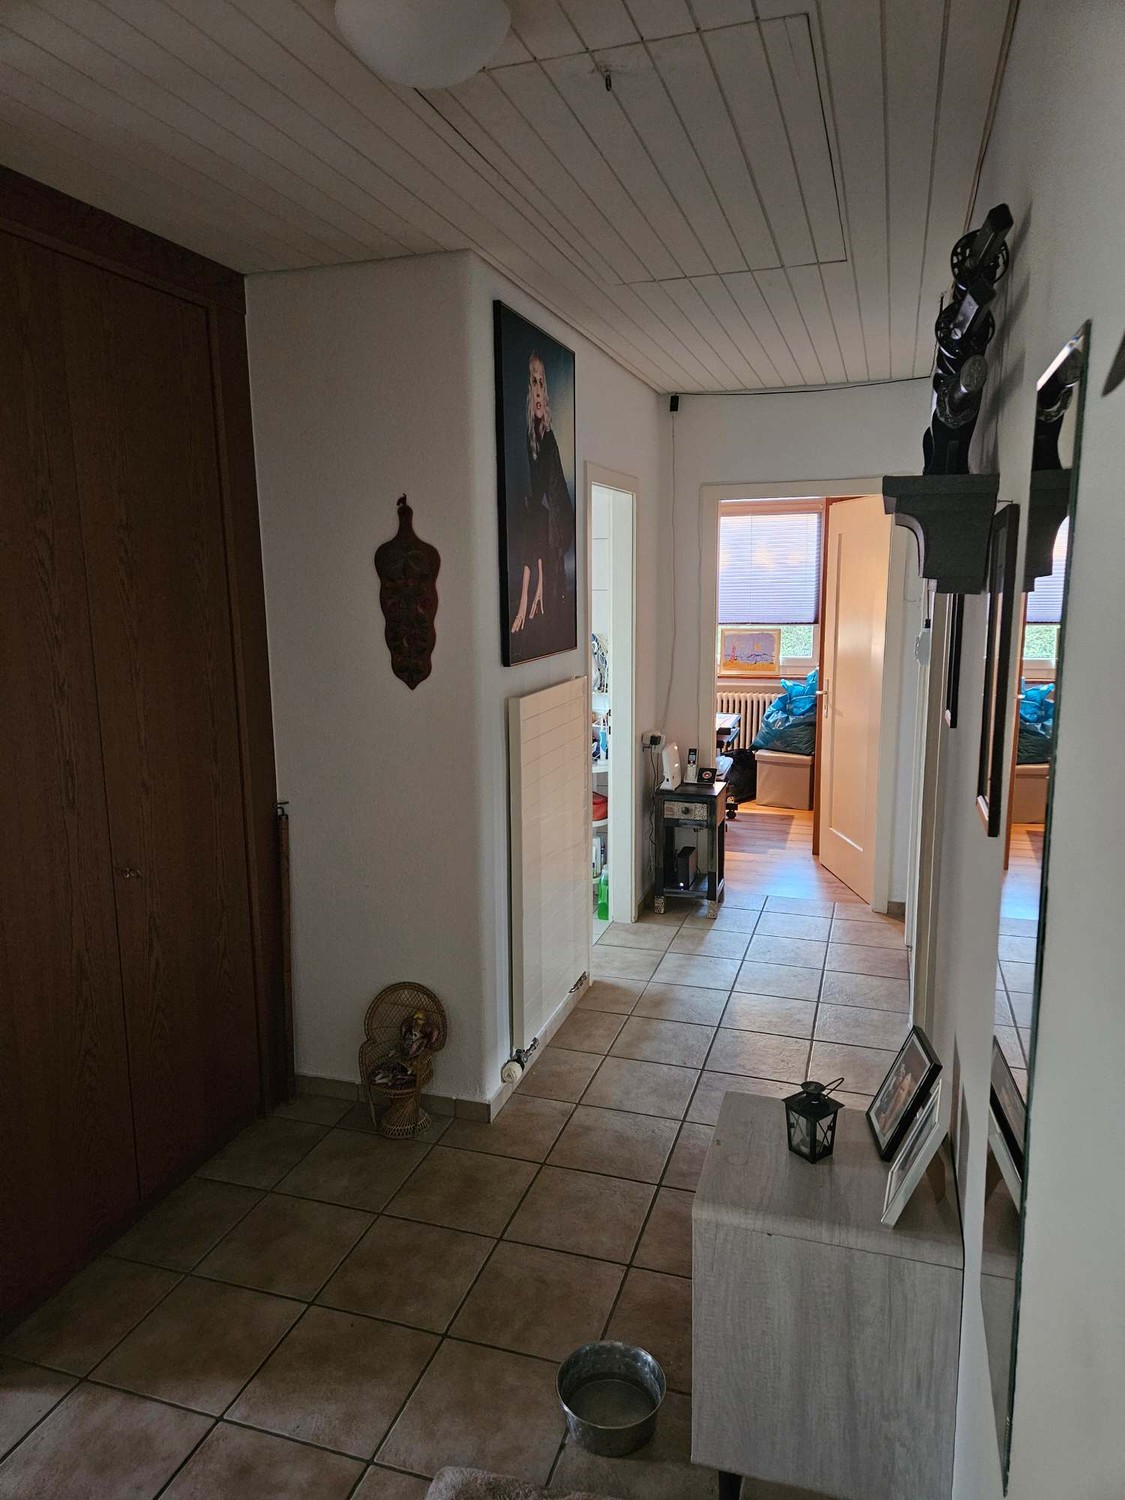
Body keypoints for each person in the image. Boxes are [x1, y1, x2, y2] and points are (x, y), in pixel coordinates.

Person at [510, 352, 575, 640]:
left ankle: (529, 596)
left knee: (532, 517)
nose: (538, 390)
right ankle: (530, 595)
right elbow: (536, 499)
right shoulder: (531, 436)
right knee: (529, 515)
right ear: (529, 390)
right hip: (545, 513)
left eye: (541, 383)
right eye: (533, 382)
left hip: (559, 516)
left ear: (545, 392)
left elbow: (548, 496)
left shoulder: (547, 439)